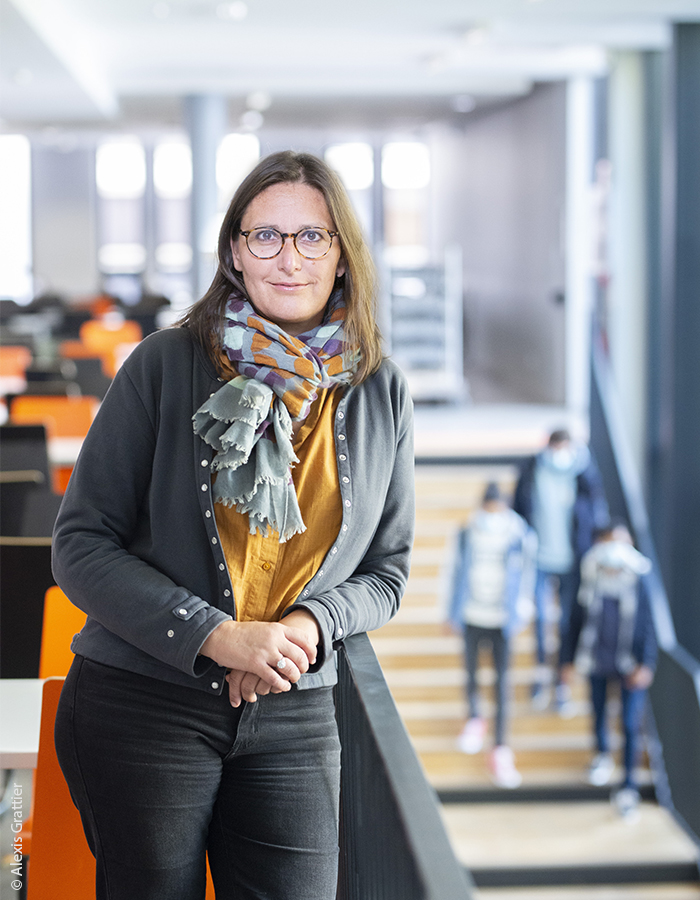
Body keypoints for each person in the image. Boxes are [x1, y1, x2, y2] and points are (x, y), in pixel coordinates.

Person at [52, 150, 415, 900]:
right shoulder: (162, 364)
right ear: (234, 252)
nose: (289, 258)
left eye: (312, 237)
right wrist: (218, 636)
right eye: (266, 237)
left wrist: (308, 627)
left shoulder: (380, 388)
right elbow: (80, 545)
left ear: (343, 255)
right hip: (144, 702)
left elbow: (387, 570)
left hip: (296, 705)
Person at [447, 482, 536, 789]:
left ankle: (500, 746)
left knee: (502, 682)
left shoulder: (520, 535)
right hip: (472, 613)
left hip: (503, 618)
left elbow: (528, 575)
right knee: (471, 672)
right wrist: (448, 611)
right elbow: (452, 570)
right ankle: (474, 718)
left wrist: (523, 610)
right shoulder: (466, 532)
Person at [514, 428, 608, 712]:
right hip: (539, 560)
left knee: (568, 623)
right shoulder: (532, 470)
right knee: (542, 622)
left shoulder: (585, 475)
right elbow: (520, 509)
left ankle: (562, 681)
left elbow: (595, 514)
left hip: (572, 561)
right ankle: (542, 675)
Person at [572, 522, 656, 819]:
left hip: (629, 664)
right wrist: (568, 660)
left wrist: (646, 663)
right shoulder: (589, 575)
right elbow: (576, 618)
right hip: (596, 658)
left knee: (630, 724)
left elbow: (649, 624)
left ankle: (628, 784)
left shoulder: (640, 578)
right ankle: (601, 756)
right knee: (598, 711)